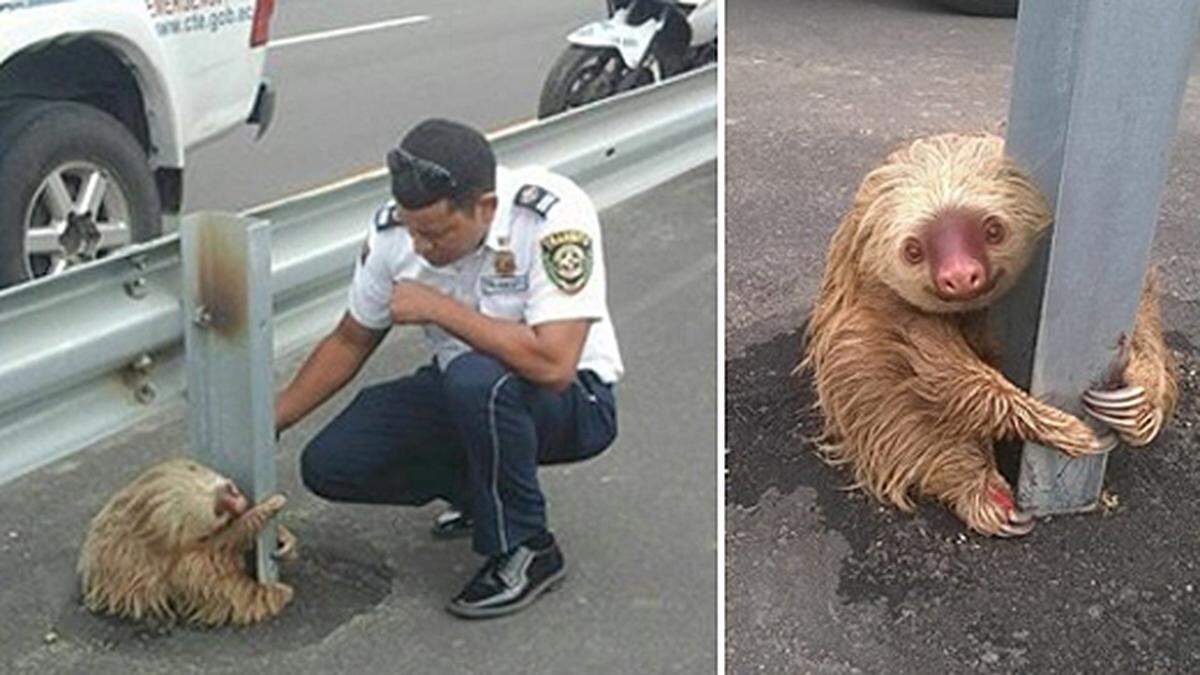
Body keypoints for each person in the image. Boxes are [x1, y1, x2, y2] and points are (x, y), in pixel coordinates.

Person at [274, 118, 622, 619]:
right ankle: (480, 494)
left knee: (476, 380)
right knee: (331, 463)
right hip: (468, 393)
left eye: (435, 234)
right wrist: (275, 418)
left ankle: (528, 547)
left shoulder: (550, 214)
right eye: (413, 230)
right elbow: (350, 339)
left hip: (573, 403)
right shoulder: (397, 234)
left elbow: (555, 364)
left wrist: (439, 308)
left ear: (484, 208)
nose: (420, 247)